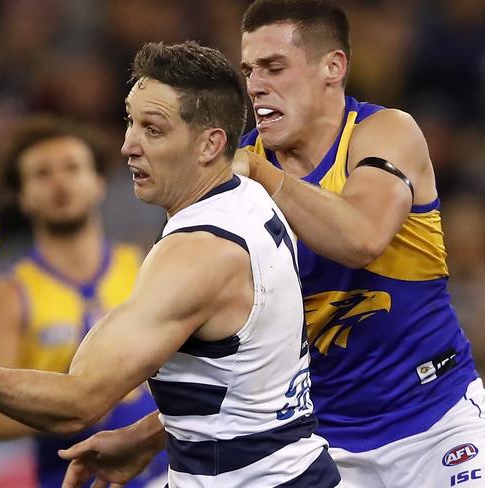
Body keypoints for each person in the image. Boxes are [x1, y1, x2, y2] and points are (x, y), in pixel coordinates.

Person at [0, 41, 342, 487]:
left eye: (152, 129)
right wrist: (144, 435)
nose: (128, 146)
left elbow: (80, 403)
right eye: (129, 122)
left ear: (208, 144)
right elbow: (244, 380)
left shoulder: (198, 252)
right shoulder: (250, 199)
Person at [60, 1, 485, 487]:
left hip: (438, 427)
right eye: (248, 70)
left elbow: (363, 238)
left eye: (274, 67)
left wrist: (262, 174)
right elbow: (235, 356)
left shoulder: (384, 133)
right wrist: (148, 433)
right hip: (321, 448)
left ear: (333, 67)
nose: (256, 84)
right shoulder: (231, 185)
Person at [0, 116, 167, 487]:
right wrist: (76, 401)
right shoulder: (8, 296)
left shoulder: (147, 268)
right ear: (22, 196)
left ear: (99, 182)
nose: (60, 182)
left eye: (72, 167)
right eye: (41, 173)